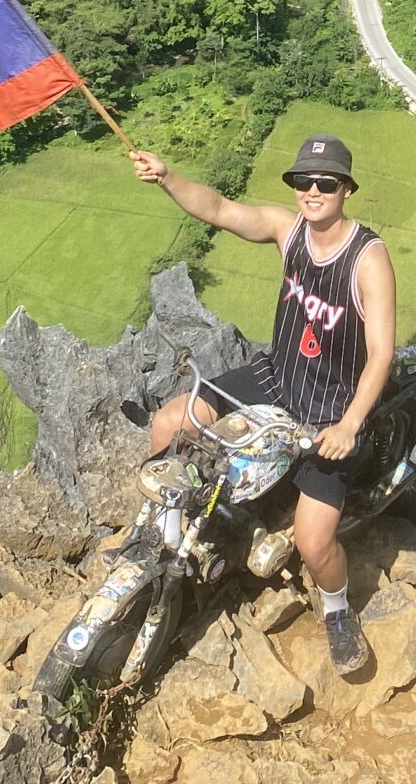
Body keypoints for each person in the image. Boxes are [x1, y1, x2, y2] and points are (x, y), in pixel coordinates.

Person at [129, 130, 394, 675]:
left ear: (346, 188)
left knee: (313, 541)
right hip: (275, 378)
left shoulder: (367, 258)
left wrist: (348, 425)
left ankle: (338, 609)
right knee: (169, 423)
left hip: (329, 409)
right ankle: (163, 536)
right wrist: (167, 176)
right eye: (303, 181)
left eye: (325, 182)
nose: (312, 191)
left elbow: (381, 355)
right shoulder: (287, 229)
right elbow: (221, 210)